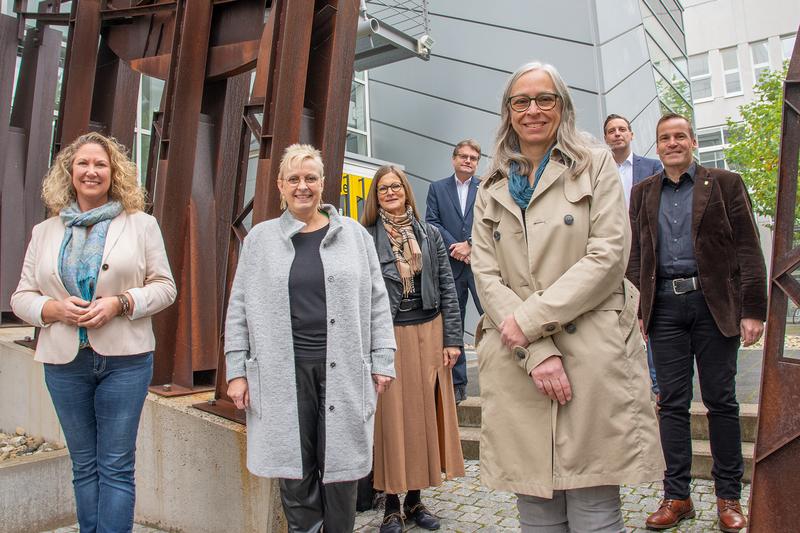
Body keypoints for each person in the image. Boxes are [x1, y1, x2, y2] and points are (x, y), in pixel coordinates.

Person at [470, 61, 664, 532]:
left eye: (545, 99)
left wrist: (531, 321)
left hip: (588, 351)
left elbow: (607, 258)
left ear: (562, 106)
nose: (533, 110)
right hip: (519, 356)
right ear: (508, 112)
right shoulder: (491, 183)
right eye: (522, 101)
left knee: (594, 503)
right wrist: (535, 349)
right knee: (535, 506)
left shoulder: (595, 165)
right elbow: (485, 274)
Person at [224, 144, 396, 533]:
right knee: (295, 471)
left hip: (346, 369)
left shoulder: (353, 235)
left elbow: (377, 302)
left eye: (311, 178)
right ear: (280, 186)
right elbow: (239, 309)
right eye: (294, 179)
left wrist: (383, 359)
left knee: (341, 470)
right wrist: (237, 371)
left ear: (322, 184)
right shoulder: (260, 240)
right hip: (281, 372)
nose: (303, 186)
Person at [11, 132, 176, 533]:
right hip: (65, 364)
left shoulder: (141, 225)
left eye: (100, 164)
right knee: (84, 464)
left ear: (113, 172)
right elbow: (21, 297)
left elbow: (165, 287)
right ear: (69, 172)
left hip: (126, 362)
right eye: (83, 163)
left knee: (116, 465)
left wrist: (120, 303)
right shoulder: (44, 231)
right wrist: (52, 308)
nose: (91, 171)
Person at [627, 113, 767, 532]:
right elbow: (638, 255)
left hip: (713, 305)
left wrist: (753, 310)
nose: (672, 143)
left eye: (679, 136)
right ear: (657, 145)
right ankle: (677, 496)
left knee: (721, 402)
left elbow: (747, 248)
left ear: (693, 142)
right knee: (671, 404)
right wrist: (637, 306)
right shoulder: (642, 193)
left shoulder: (724, 184)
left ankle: (728, 497)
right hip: (665, 307)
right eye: (664, 138)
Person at [362, 165, 465, 532]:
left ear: (407, 190)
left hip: (430, 332)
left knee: (423, 418)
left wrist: (453, 339)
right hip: (389, 336)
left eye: (396, 186)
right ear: (375, 197)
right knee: (391, 421)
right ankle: (390, 504)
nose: (390, 192)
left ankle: (416, 501)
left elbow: (448, 288)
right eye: (383, 188)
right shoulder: (365, 237)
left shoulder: (430, 234)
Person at [604, 113, 663, 398]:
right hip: (611, 251)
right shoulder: (598, 171)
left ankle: (657, 383)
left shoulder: (652, 167)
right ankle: (619, 382)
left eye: (622, 129)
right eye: (612, 131)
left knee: (650, 312)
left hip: (645, 249)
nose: (617, 134)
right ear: (606, 138)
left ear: (631, 135)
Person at [425, 139, 484, 404]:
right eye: (463, 156)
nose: (468, 161)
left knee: (493, 319)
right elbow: (432, 222)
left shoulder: (486, 188)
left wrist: (471, 245)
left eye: (473, 158)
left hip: (481, 264)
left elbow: (492, 220)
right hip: (452, 266)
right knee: (454, 325)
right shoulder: (438, 188)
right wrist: (456, 247)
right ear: (454, 159)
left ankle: (503, 376)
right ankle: (458, 384)